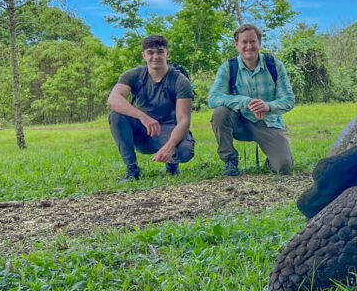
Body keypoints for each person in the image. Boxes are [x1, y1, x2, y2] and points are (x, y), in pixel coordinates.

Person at [208, 23, 295, 176]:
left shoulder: (274, 65)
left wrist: (268, 106)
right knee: (220, 112)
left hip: (268, 122)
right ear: (236, 45)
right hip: (239, 122)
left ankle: (272, 156)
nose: (249, 46)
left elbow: (288, 100)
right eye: (244, 42)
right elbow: (213, 98)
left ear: (259, 43)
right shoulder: (228, 67)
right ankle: (230, 160)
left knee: (284, 167)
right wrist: (244, 101)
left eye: (253, 41)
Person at [107, 34, 195, 181]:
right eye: (150, 52)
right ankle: (132, 168)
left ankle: (172, 163)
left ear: (167, 53)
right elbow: (113, 99)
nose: (156, 56)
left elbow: (184, 121)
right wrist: (143, 117)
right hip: (143, 129)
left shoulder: (180, 80)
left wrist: (170, 145)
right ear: (144, 55)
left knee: (185, 151)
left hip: (169, 129)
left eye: (160, 52)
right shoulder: (134, 75)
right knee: (116, 115)